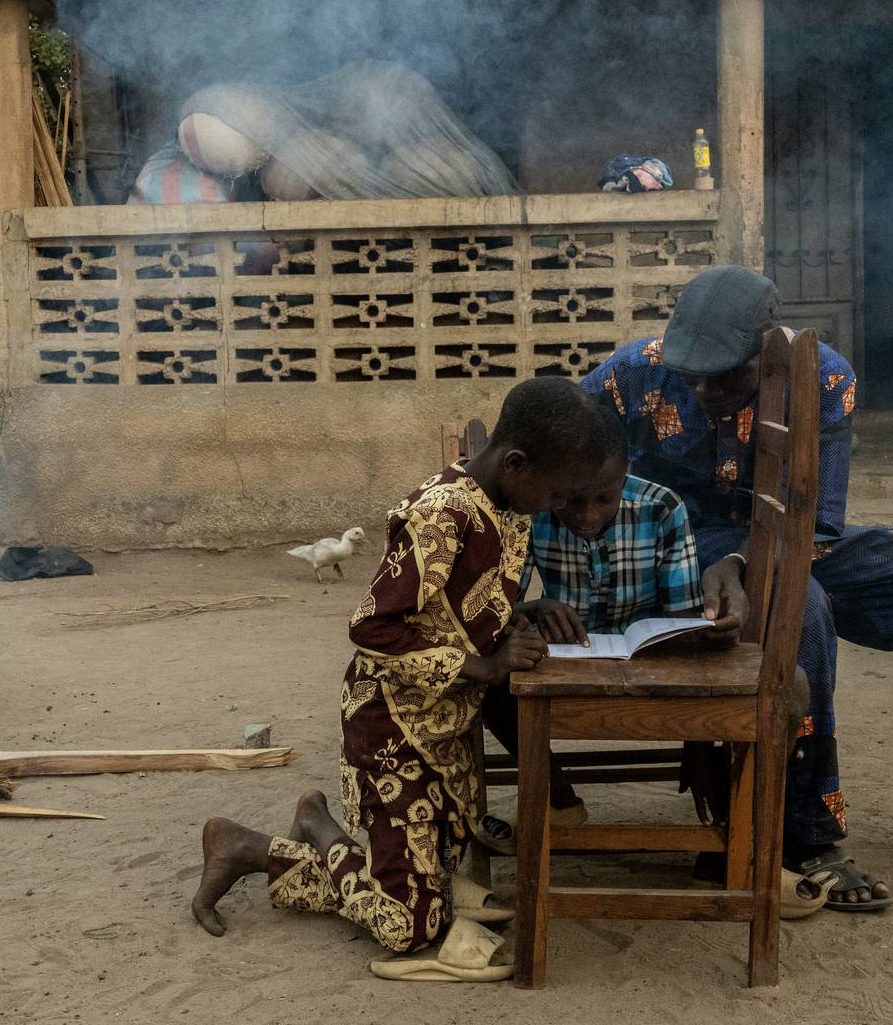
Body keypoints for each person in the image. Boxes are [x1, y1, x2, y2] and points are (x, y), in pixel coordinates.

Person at [584, 265, 893, 909]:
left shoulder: (823, 377)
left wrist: (745, 559)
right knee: (804, 610)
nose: (707, 389)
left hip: (795, 538)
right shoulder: (631, 374)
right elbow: (556, 453)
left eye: (726, 373)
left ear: (767, 346)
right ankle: (805, 835)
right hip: (681, 547)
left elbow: (818, 521)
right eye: (694, 374)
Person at [190, 377, 610, 983]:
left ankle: (276, 840)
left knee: (433, 893)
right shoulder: (439, 515)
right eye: (559, 492)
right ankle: (274, 840)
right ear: (517, 463)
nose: (562, 507)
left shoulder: (507, 505)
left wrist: (524, 612)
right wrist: (485, 668)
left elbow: (455, 607)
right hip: (391, 728)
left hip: (442, 728)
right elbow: (374, 629)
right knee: (408, 927)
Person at [478, 406, 737, 836]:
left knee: (711, 693)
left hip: (651, 657)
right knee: (493, 685)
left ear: (625, 479)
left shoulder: (661, 508)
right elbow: (505, 603)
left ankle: (717, 806)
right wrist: (531, 611)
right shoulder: (536, 507)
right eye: (572, 499)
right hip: (559, 655)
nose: (587, 515)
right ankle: (559, 797)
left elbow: (681, 615)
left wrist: (701, 632)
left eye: (604, 499)